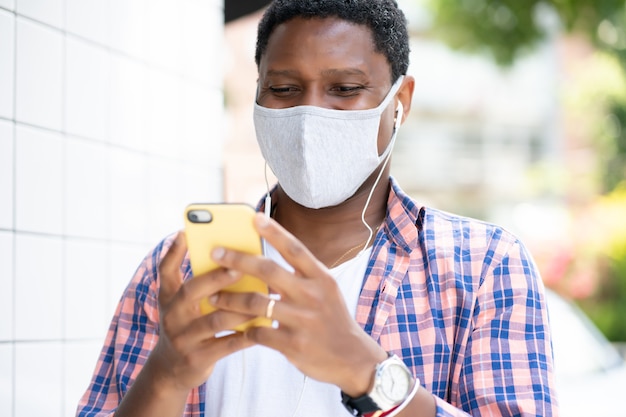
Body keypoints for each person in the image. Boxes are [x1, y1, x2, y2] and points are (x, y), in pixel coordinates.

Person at [76, 1, 558, 416]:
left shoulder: (484, 266)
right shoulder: (180, 271)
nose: (310, 114)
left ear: (400, 102)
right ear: (258, 97)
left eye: (344, 90)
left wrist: (367, 372)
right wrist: (165, 374)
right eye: (284, 89)